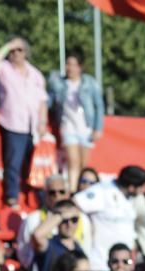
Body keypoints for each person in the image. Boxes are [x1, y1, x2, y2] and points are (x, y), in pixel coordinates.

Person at [0, 36, 48, 207]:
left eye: (19, 50)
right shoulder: (5, 69)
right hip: (13, 123)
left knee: (34, 165)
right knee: (13, 163)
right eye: (12, 50)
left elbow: (42, 100)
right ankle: (12, 197)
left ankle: (35, 197)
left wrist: (42, 121)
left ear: (26, 53)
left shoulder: (36, 74)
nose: (15, 53)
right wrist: (7, 45)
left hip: (33, 126)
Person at [47, 49, 104, 194]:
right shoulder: (59, 83)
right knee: (73, 161)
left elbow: (98, 105)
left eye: (73, 65)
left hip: (86, 127)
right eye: (67, 64)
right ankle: (73, 191)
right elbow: (50, 102)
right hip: (68, 126)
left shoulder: (89, 83)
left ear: (80, 67)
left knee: (84, 163)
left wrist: (98, 127)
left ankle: (83, 190)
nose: (69, 68)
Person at [73, 165, 145, 271]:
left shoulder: (132, 198)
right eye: (142, 187)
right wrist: (87, 224)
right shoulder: (103, 190)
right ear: (131, 187)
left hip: (124, 265)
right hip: (102, 264)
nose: (144, 191)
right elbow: (75, 204)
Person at [27, 198, 85, 271]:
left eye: (74, 219)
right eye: (65, 220)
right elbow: (37, 236)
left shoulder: (79, 249)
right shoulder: (50, 245)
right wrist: (60, 216)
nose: (69, 224)